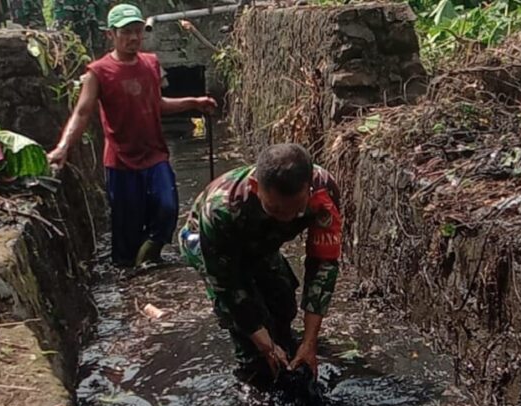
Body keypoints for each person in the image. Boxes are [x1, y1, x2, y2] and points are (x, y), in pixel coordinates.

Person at [47, 3, 217, 267]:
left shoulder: (151, 63)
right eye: (126, 32)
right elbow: (82, 113)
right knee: (127, 227)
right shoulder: (98, 72)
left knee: (167, 207)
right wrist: (63, 147)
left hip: (155, 154)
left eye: (138, 31)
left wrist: (194, 102)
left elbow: (157, 104)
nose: (134, 38)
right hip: (121, 161)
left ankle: (150, 257)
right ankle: (128, 274)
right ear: (110, 35)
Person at [179, 143, 342, 383]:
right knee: (253, 346)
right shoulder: (221, 209)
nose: (286, 218)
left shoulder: (323, 191)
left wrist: (310, 342)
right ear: (256, 188)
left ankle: (285, 347)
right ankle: (251, 373)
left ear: (308, 189)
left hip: (262, 241)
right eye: (275, 208)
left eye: (295, 210)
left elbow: (323, 264)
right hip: (205, 240)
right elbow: (228, 284)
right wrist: (260, 338)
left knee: (283, 302)